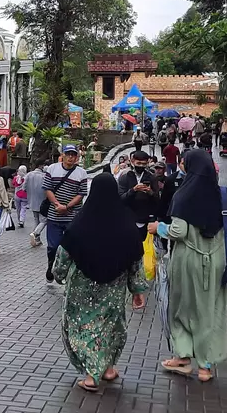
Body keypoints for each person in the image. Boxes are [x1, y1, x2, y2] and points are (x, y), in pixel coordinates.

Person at [146, 149, 227, 382]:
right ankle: (205, 366)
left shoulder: (183, 195)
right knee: (209, 311)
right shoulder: (224, 195)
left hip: (187, 260)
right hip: (217, 261)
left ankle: (182, 357)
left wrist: (158, 228)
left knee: (181, 308)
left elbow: (179, 231)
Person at [53, 174, 147, 392]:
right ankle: (108, 369)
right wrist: (137, 290)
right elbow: (136, 259)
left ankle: (91, 376)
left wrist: (59, 274)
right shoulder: (126, 222)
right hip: (114, 288)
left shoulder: (82, 221)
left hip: (81, 288)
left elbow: (64, 253)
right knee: (110, 326)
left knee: (83, 327)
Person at [43, 145, 89, 283]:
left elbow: (81, 193)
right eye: (68, 154)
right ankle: (51, 265)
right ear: (62, 155)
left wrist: (67, 206)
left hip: (72, 216)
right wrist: (57, 204)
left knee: (71, 247)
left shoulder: (82, 173)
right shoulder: (52, 169)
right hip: (54, 214)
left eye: (73, 155)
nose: (70, 157)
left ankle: (64, 273)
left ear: (77, 157)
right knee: (53, 247)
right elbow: (47, 188)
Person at [117, 151, 159, 242]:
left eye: (143, 164)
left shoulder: (152, 178)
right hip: (128, 218)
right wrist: (133, 190)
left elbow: (157, 200)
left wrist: (150, 192)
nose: (140, 166)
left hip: (145, 218)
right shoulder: (125, 177)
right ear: (132, 161)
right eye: (138, 163)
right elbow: (120, 199)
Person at [26, 162, 47, 248]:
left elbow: (24, 187)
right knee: (44, 220)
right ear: (41, 166)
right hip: (42, 201)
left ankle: (37, 239)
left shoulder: (28, 175)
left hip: (32, 201)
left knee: (36, 220)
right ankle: (35, 233)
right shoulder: (43, 176)